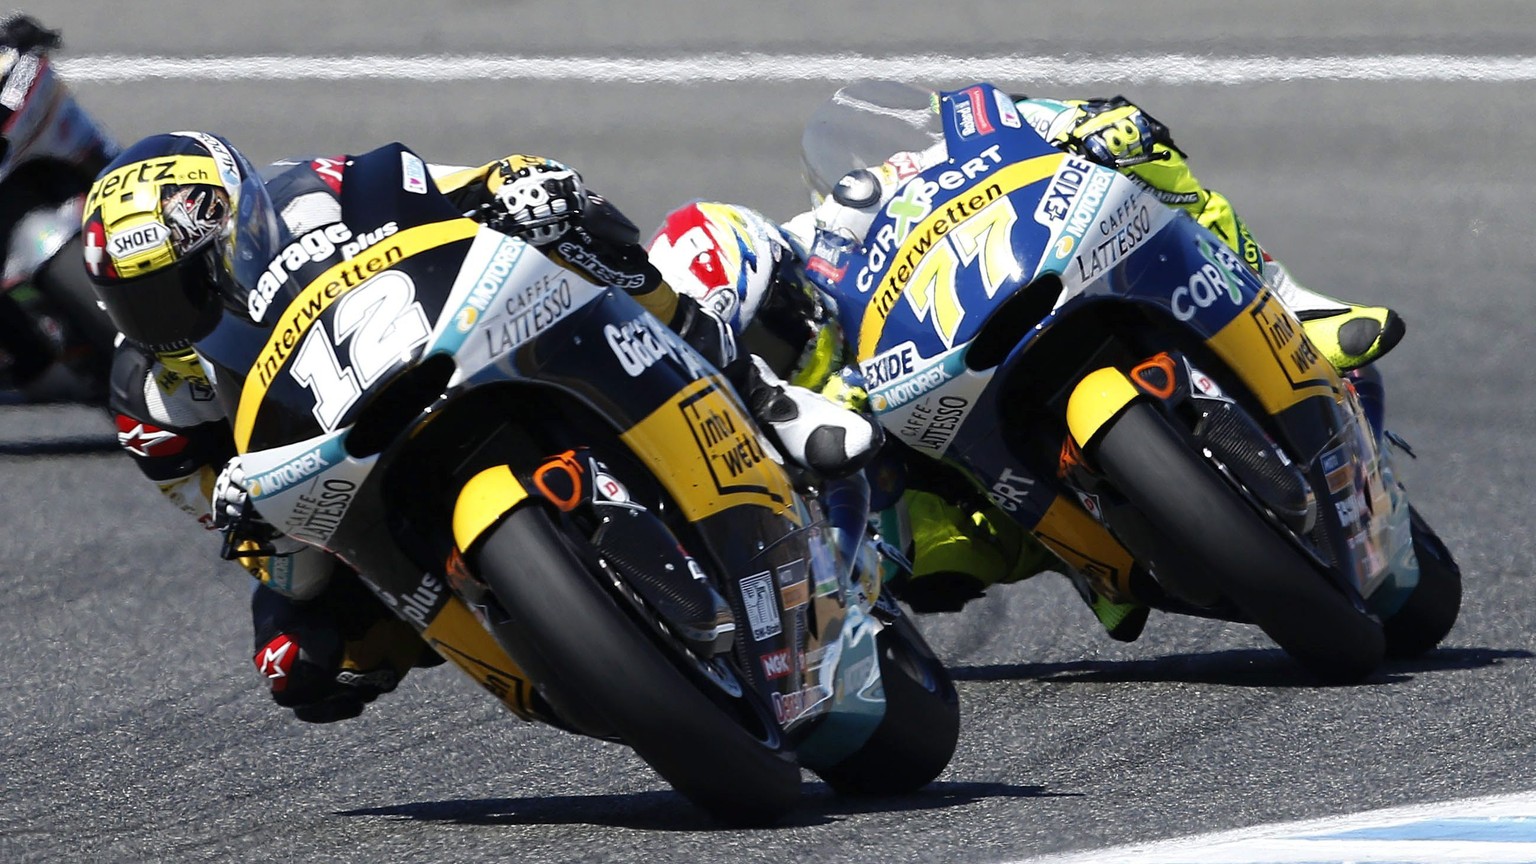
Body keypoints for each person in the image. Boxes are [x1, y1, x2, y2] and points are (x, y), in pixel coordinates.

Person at [84, 131, 878, 723]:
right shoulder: (153, 396)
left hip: (446, 344)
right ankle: (522, 627)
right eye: (137, 302)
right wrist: (252, 520)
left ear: (232, 232)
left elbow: (466, 183)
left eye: (177, 284)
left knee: (565, 219)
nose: (163, 320)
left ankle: (758, 394)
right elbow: (263, 556)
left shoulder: (324, 191)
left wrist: (519, 184)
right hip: (323, 476)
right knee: (304, 670)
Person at [646, 84, 1405, 640]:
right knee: (933, 558)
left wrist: (1078, 125)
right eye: (761, 349)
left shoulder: (831, 222)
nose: (783, 349)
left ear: (779, 270)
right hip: (950, 447)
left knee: (1142, 155)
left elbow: (985, 137)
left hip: (1022, 290)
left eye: (776, 323)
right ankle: (1084, 551)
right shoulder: (785, 400)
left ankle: (1291, 303)